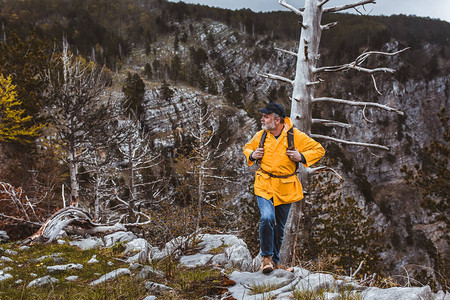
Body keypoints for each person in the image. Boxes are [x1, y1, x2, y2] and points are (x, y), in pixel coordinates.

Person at [243, 102, 325, 273]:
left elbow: (319, 150)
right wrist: (252, 154)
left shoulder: (295, 136)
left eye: (266, 116)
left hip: (286, 186)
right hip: (264, 183)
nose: (262, 119)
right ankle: (266, 257)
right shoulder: (261, 135)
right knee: (267, 218)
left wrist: (301, 156)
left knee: (279, 227)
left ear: (277, 120)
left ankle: (274, 262)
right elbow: (248, 147)